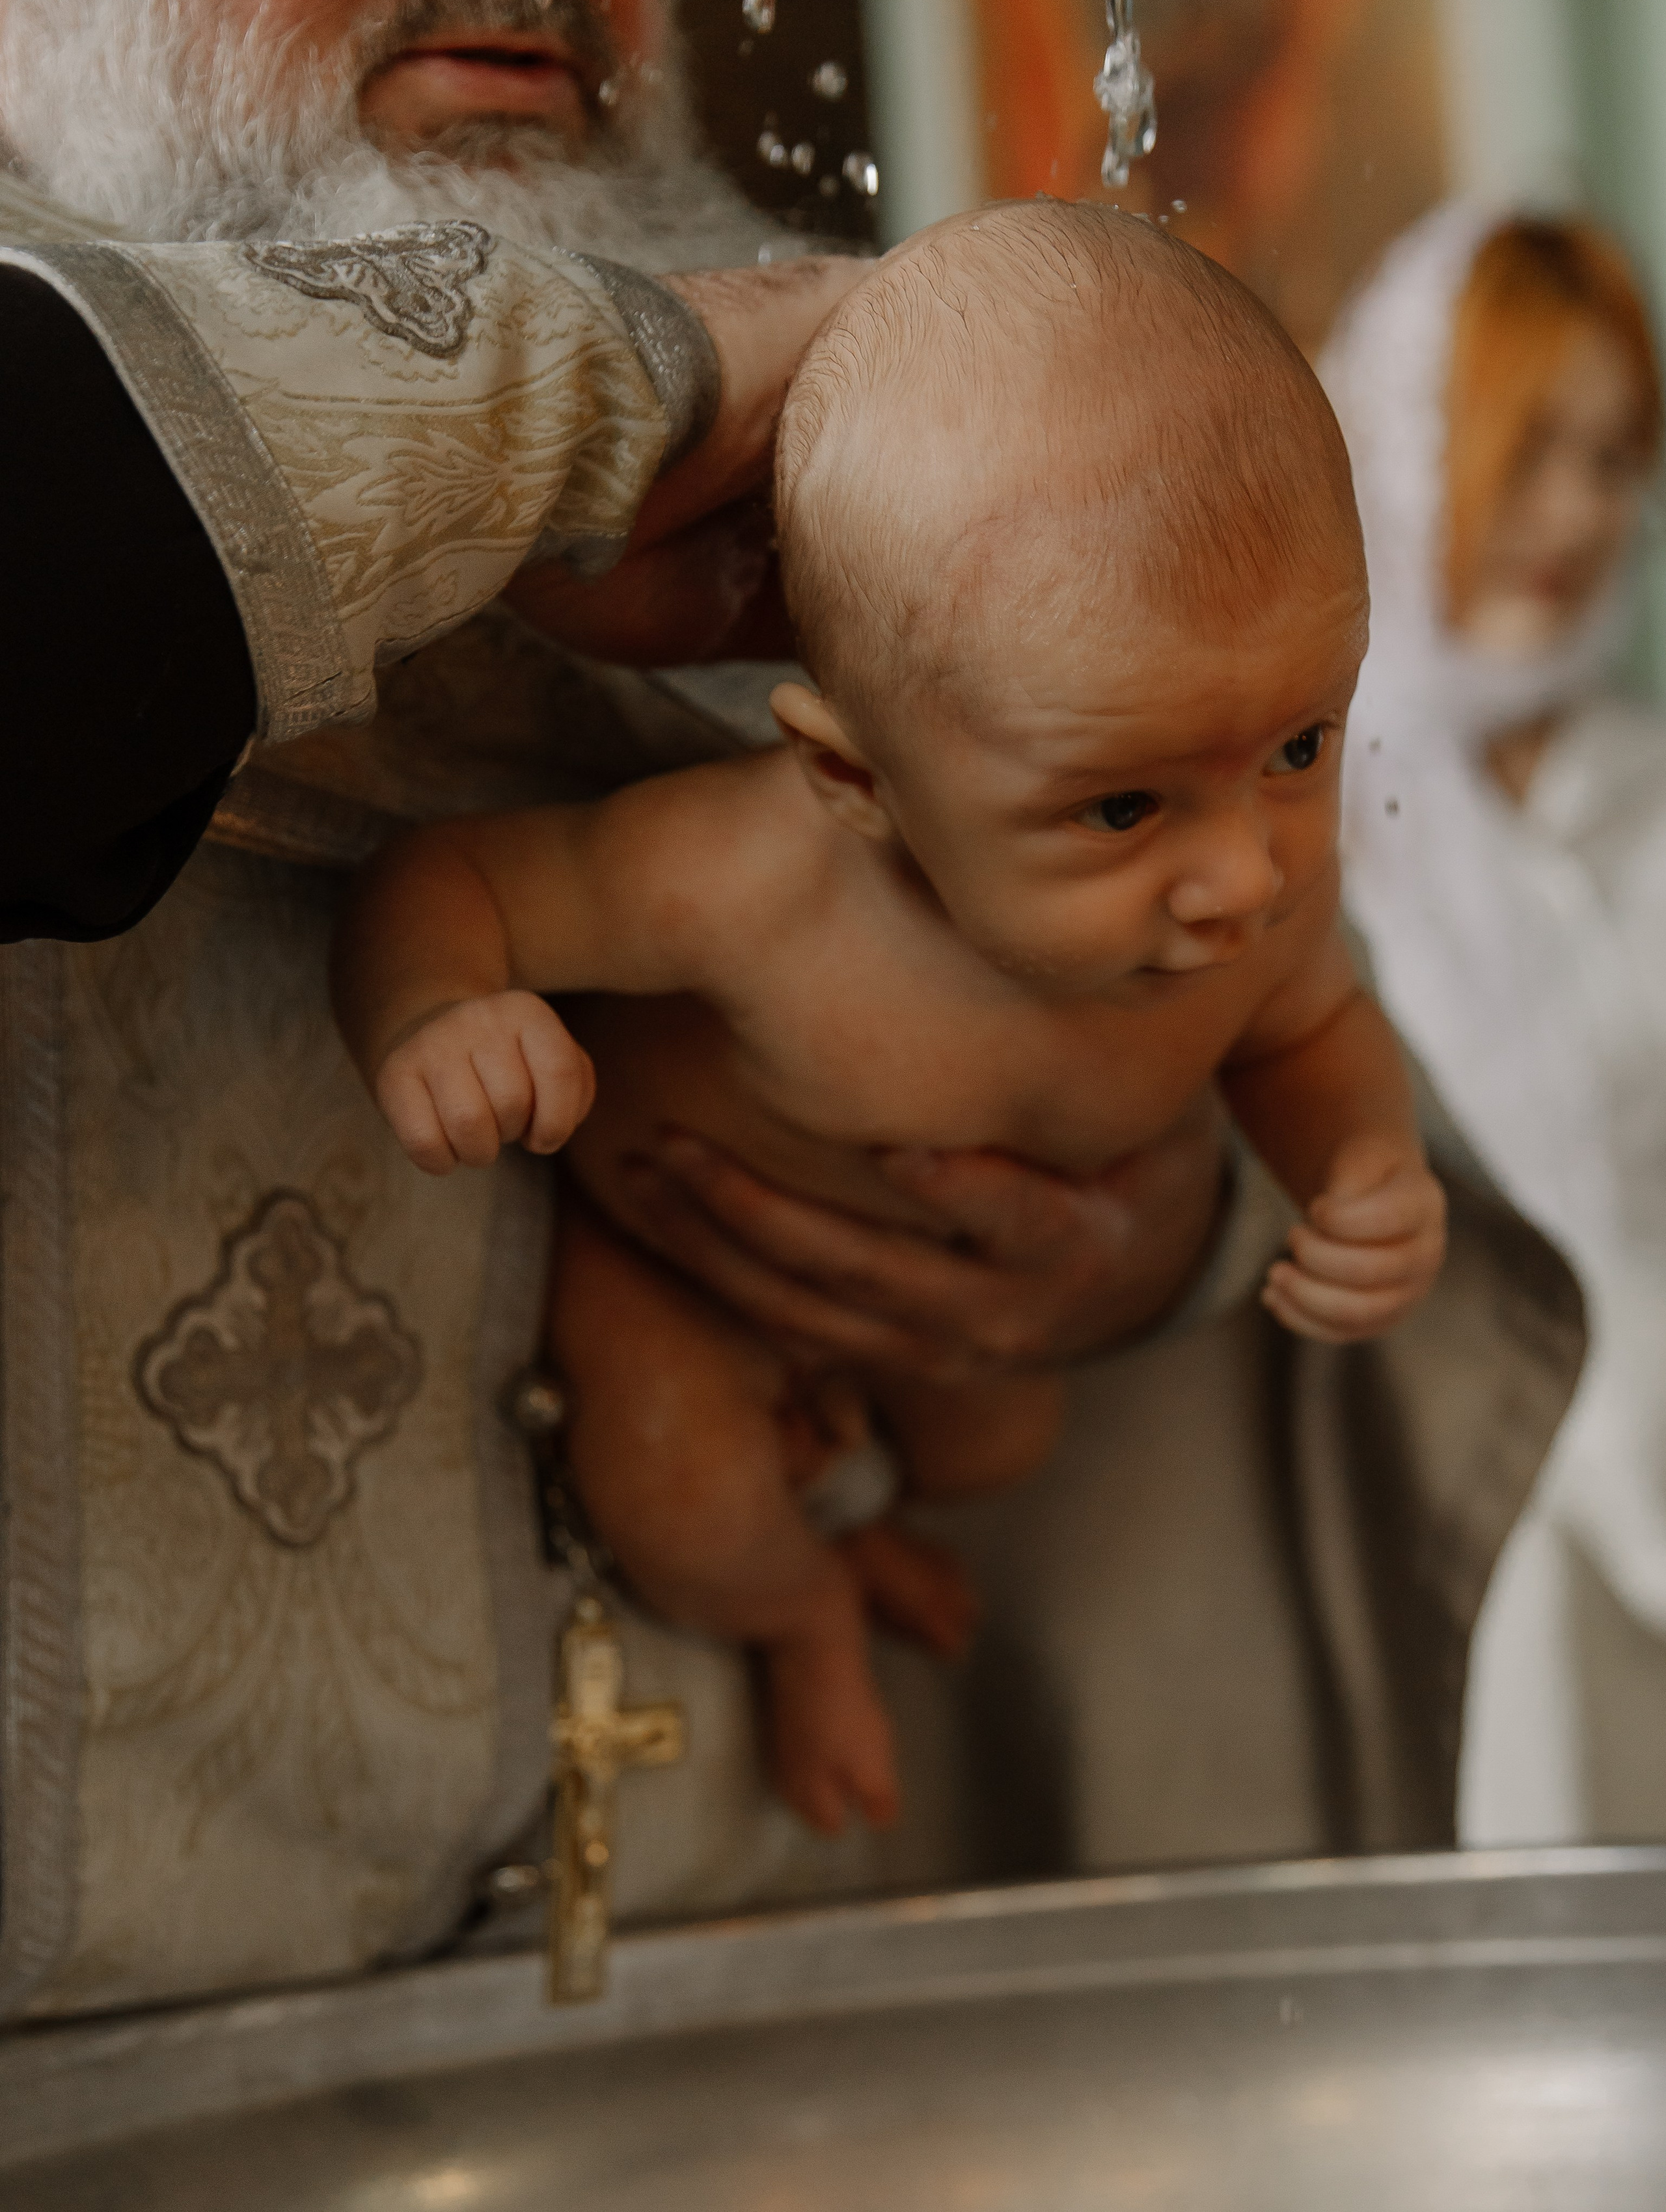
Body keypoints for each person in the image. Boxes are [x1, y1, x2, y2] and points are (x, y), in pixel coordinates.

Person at [0, 0, 1580, 2024]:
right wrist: (555, 398)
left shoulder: (894, 431)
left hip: (771, 2022)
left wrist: (1149, 1238)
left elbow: (1299, 1024)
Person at [335, 202, 1447, 1835]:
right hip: (673, 1265)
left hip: (968, 1312)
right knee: (684, 1486)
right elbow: (463, 880)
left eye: (1297, 745)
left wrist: (1365, 1164)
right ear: (852, 777)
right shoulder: (745, 881)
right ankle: (802, 1616)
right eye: (1124, 805)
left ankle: (859, 1510)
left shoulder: (1249, 913)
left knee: (998, 1440)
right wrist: (438, 1008)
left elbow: (1307, 1032)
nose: (1238, 880)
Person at [1323, 203, 1666, 1844]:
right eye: (1533, 447)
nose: (1579, 512)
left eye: (1613, 458)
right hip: (1451, 1525)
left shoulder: (1648, 792)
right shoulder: (1305, 804)